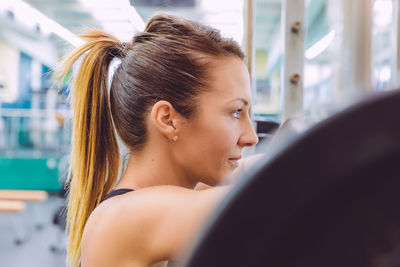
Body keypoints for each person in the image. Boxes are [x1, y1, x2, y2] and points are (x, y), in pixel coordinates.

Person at [56, 13, 259, 267]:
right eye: (236, 112)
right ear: (168, 119)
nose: (251, 137)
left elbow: (261, 174)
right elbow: (269, 189)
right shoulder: (123, 219)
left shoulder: (189, 192)